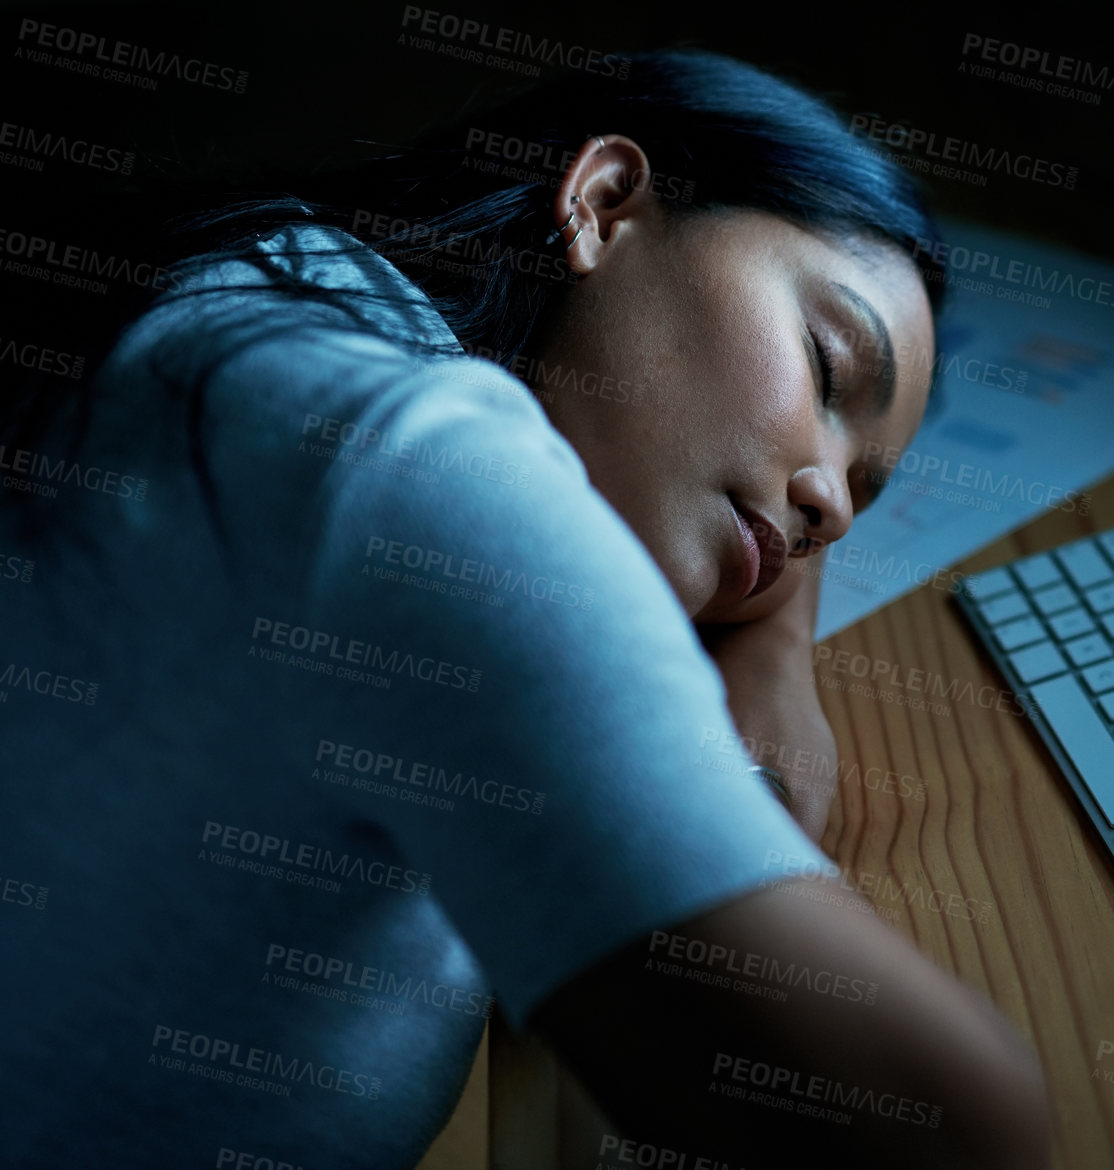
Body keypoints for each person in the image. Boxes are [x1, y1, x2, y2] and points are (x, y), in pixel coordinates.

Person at [0, 48, 1050, 1169]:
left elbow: (764, 472)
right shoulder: (430, 483)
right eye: (828, 367)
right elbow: (940, 1125)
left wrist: (775, 643)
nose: (830, 508)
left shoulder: (279, 289)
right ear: (604, 205)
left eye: (864, 491)